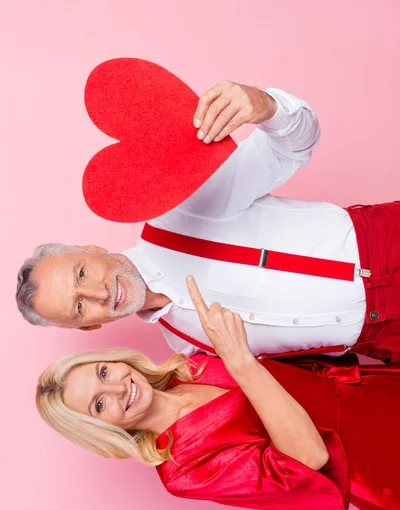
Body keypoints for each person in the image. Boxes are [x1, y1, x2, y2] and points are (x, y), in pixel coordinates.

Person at [17, 79, 400, 363]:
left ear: (92, 249)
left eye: (81, 274)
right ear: (89, 327)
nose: (98, 294)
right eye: (79, 307)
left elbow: (293, 146)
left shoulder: (179, 207)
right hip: (381, 339)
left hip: (385, 245)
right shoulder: (187, 346)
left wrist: (265, 105)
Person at [36, 276, 400, 510]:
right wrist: (240, 362)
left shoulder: (188, 366)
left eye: (103, 373)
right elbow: (309, 458)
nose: (115, 388)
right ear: (101, 431)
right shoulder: (183, 471)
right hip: (377, 465)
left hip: (375, 393)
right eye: (99, 406)